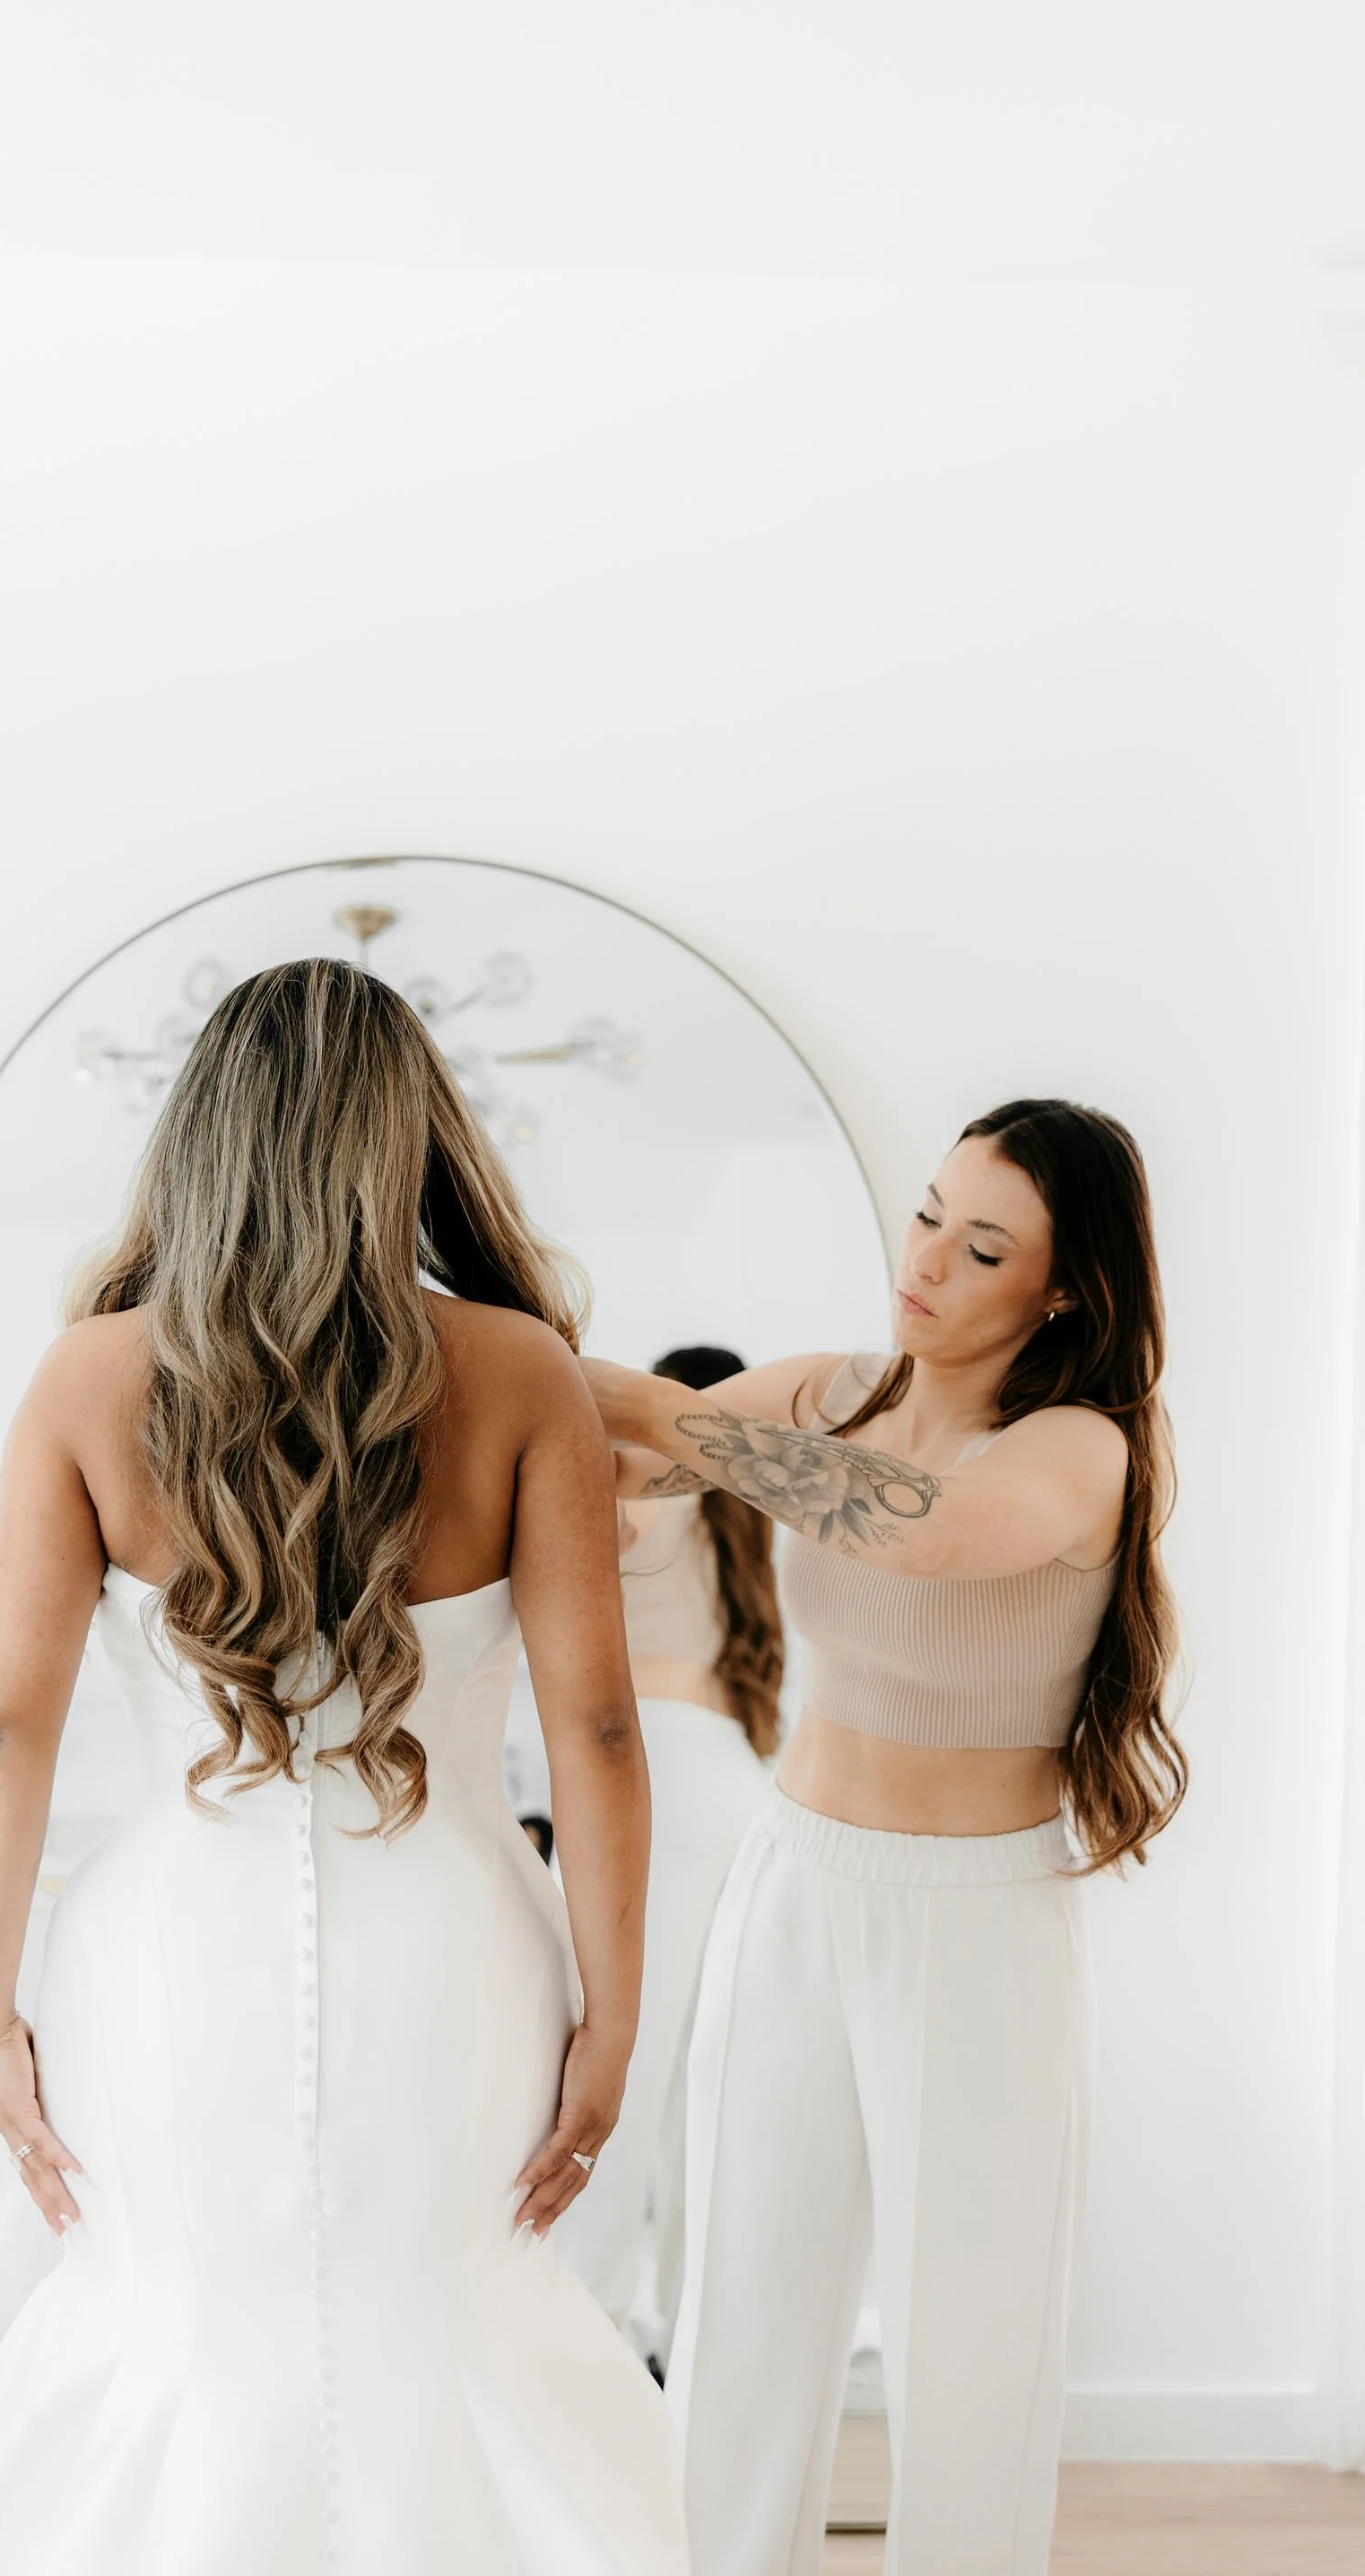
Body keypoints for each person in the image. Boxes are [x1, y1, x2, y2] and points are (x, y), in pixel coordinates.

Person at [0, 958, 686, 2576]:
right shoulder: (520, 1374)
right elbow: (593, 1730)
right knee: (444, 2325)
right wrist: (613, 2013)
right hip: (458, 1952)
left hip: (163, 1954)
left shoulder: (86, 1379)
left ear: (200, 1138)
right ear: (413, 1139)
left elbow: (3, 1729)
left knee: (179, 2327)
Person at [583, 1099, 1185, 2576]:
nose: (921, 1258)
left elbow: (911, 1525)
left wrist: (666, 1410)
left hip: (974, 1920)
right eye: (925, 1212)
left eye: (978, 1244)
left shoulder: (1079, 1448)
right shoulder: (835, 1390)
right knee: (739, 2314)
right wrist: (522, 1381)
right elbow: (629, 1479)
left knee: (968, 2345)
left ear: (1060, 1288)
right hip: (794, 1880)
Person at [554, 1344, 779, 2370]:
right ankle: (695, 2330)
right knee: (706, 2069)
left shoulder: (634, 1493)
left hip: (652, 1778)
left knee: (613, 2054)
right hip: (735, 1779)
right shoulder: (746, 1521)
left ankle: (589, 2310)